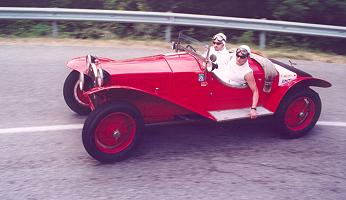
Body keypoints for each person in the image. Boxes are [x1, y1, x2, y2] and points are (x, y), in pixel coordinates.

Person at [228, 45, 259, 119]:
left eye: (242, 57)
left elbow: (255, 91)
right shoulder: (233, 57)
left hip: (231, 93)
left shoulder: (247, 73)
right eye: (237, 55)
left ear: (247, 57)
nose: (238, 59)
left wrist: (253, 109)